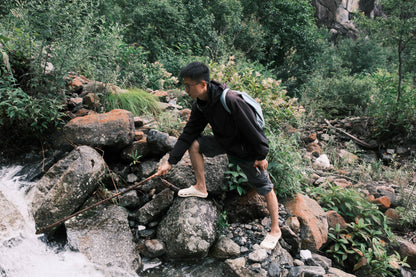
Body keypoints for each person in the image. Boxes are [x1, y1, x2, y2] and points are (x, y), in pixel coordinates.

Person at [157, 61, 281, 250]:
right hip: (225, 143)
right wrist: (170, 162)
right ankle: (201, 187)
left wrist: (261, 155)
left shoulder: (231, 100)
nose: (186, 90)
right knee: (194, 143)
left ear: (203, 84)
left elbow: (253, 130)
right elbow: (189, 132)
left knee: (265, 187)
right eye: (184, 85)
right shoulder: (201, 105)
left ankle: (275, 230)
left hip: (246, 150)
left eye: (188, 86)